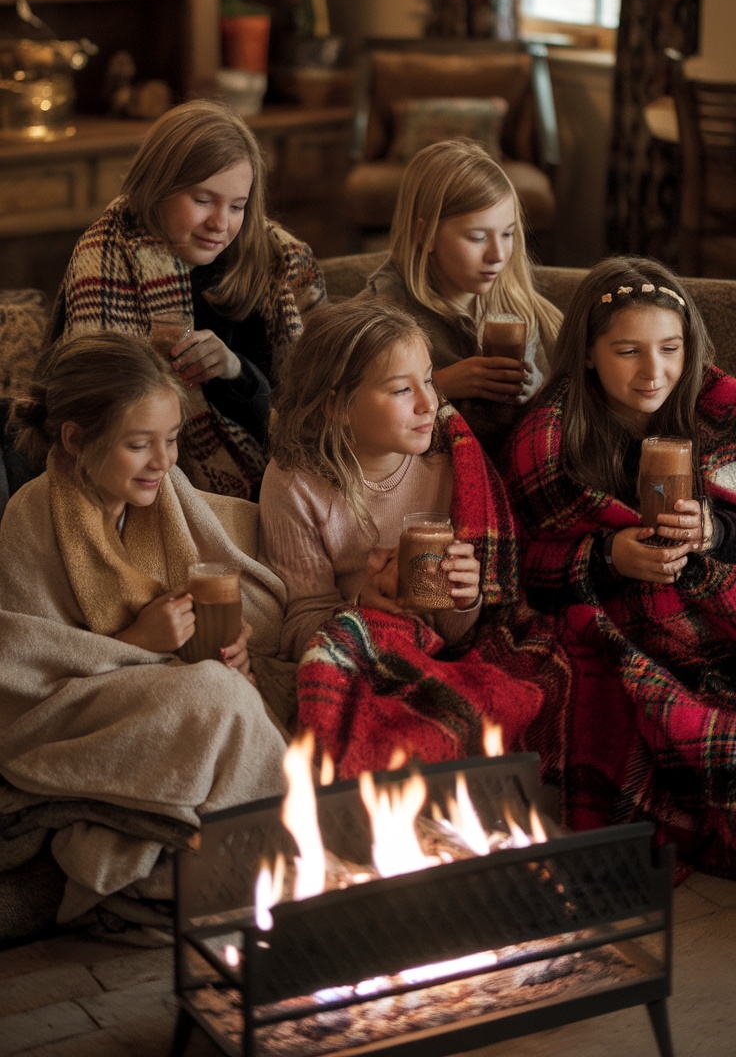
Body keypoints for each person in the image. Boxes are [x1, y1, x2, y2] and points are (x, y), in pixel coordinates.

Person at [0, 333, 287, 929]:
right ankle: (276, 860)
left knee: (227, 690)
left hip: (166, 688)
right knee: (218, 696)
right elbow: (24, 672)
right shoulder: (31, 515)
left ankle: (232, 864)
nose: (164, 461)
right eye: (139, 445)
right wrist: (137, 645)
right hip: (63, 714)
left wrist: (236, 644)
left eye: (173, 440)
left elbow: (237, 577)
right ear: (77, 439)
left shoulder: (166, 494)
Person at [258, 299, 569, 777]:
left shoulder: (450, 464)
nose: (430, 403)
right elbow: (300, 621)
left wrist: (464, 598)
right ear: (338, 406)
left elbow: (464, 629)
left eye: (429, 380)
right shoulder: (295, 482)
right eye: (403, 390)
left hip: (445, 646)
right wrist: (365, 605)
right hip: (359, 642)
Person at [505, 255, 736, 876]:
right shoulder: (551, 438)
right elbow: (524, 561)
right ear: (587, 353)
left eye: (670, 348)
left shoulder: (715, 413)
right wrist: (607, 555)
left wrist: (714, 531)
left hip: (714, 605)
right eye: (628, 352)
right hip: (623, 622)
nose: (654, 371)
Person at [47, 98, 326, 500]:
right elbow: (96, 413)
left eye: (237, 206)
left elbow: (297, 411)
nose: (220, 223)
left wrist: (236, 371)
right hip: (145, 479)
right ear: (157, 187)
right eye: (202, 200)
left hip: (273, 480)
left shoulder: (277, 262)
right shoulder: (106, 258)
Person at [357, 138, 562, 452]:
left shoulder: (520, 304)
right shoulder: (382, 313)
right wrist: (438, 385)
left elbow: (564, 414)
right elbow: (347, 413)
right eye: (478, 237)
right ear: (425, 233)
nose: (497, 254)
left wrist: (537, 393)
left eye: (507, 234)